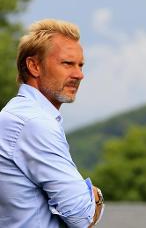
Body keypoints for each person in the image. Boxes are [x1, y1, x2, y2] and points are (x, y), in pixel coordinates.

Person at [0, 19, 104, 227]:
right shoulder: (33, 123)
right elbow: (81, 217)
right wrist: (97, 196)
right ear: (34, 66)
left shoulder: (17, 116)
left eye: (80, 65)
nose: (79, 74)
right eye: (67, 63)